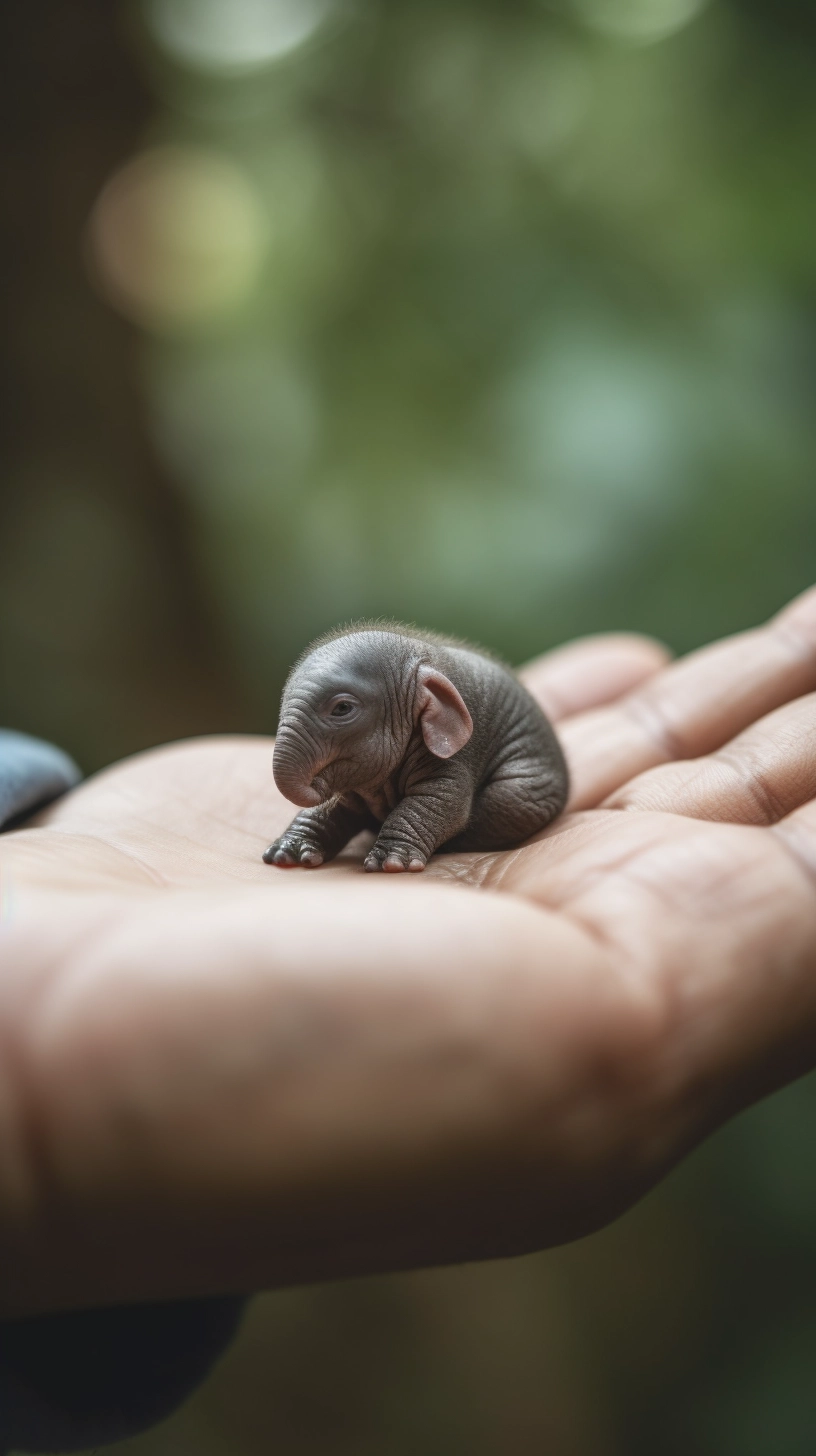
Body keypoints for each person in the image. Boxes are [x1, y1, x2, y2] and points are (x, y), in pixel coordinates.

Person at [2, 586, 816, 1449]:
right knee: (348, 799)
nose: (307, 744)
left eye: (342, 711)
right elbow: (349, 785)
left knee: (465, 805)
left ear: (429, 708)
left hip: (503, 782)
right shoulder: (376, 737)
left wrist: (407, 835)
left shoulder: (448, 743)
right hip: (391, 766)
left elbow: (444, 794)